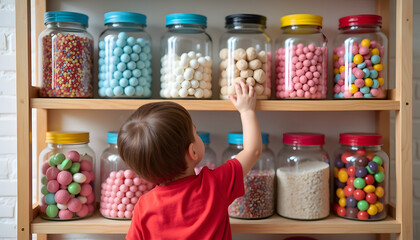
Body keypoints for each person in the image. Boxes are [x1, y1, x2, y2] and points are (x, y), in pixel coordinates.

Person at [118, 80, 262, 240]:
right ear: (193, 151)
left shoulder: (144, 207)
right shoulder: (214, 185)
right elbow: (252, 150)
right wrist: (246, 111)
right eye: (196, 132)